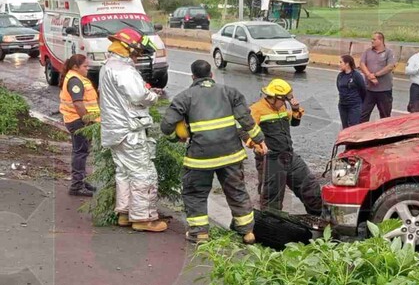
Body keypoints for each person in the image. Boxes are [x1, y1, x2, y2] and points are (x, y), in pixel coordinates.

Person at [160, 60, 267, 244]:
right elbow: (246, 120)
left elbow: (166, 126)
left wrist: (176, 137)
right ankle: (247, 232)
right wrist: (260, 140)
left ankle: (199, 233)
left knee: (195, 193)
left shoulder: (184, 97)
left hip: (201, 159)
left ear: (193, 77)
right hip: (231, 154)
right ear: (211, 75)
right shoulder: (230, 92)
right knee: (237, 191)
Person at [99, 27, 167, 233]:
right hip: (130, 130)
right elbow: (138, 96)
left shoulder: (108, 67)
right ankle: (142, 218)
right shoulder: (124, 70)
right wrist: (153, 96)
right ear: (128, 49)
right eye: (137, 52)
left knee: (124, 173)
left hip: (115, 131)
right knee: (143, 173)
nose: (138, 57)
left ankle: (125, 213)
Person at [247, 79, 322, 215]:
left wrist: (295, 110)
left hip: (289, 155)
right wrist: (256, 144)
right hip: (271, 159)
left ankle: (319, 220)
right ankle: (271, 229)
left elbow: (294, 123)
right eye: (284, 100)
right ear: (275, 98)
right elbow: (243, 130)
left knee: (310, 188)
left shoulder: (280, 107)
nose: (286, 103)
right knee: (272, 200)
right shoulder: (257, 109)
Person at [59, 54, 100, 197]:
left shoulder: (76, 78)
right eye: (85, 66)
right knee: (80, 152)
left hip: (77, 120)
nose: (87, 69)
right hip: (78, 121)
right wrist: (87, 120)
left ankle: (81, 181)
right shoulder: (75, 81)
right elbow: (78, 103)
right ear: (75, 67)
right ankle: (77, 186)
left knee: (81, 151)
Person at [359, 31, 397, 123]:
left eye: (374, 39)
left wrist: (375, 75)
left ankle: (384, 135)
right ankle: (363, 134)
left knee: (385, 115)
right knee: (363, 114)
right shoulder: (367, 52)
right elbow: (362, 64)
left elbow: (390, 67)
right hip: (369, 90)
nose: (372, 41)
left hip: (384, 91)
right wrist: (369, 75)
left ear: (381, 40)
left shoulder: (389, 53)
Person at [336, 55, 366, 129]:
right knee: (345, 127)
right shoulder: (340, 76)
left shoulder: (356, 75)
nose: (339, 64)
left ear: (347, 63)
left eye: (341, 62)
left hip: (354, 105)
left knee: (353, 127)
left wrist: (359, 102)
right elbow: (339, 88)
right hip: (343, 105)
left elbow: (363, 89)